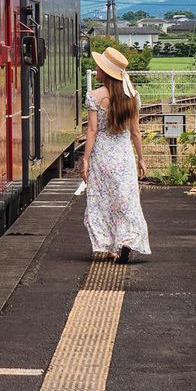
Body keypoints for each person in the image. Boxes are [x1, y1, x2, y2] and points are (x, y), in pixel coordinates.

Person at [81, 46, 150, 261]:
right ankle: (127, 240)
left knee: (103, 200)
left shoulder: (94, 96)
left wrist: (85, 159)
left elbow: (92, 131)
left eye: (99, 66)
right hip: (123, 155)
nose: (96, 68)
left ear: (105, 72)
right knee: (126, 200)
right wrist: (141, 158)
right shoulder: (132, 96)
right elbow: (136, 132)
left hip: (102, 154)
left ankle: (108, 245)